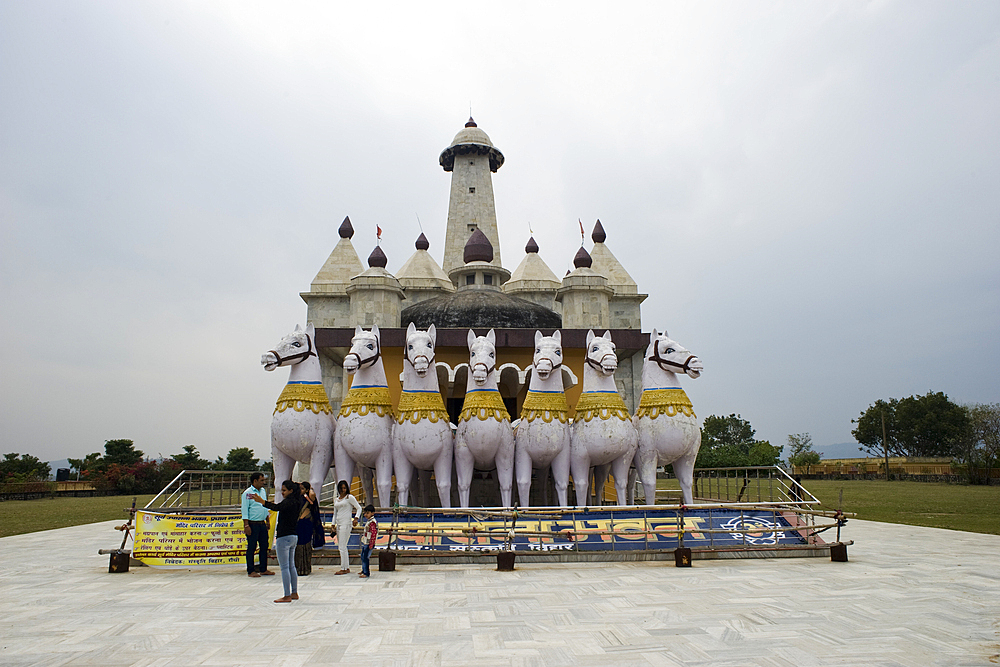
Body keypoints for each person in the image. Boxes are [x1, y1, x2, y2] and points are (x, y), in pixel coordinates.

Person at [250, 480, 303, 603]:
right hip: (293, 536)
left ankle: (287, 595)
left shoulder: (289, 502)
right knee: (291, 566)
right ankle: (294, 592)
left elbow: (276, 507)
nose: (282, 493)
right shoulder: (297, 502)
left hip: (284, 537)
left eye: (284, 490)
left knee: (284, 567)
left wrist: (262, 502)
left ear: (291, 490)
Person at [240, 472, 274, 578]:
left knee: (264, 546)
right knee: (252, 546)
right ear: (255, 481)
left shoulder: (263, 491)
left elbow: (264, 505)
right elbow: (245, 509)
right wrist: (246, 525)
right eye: (261, 480)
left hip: (262, 522)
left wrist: (267, 520)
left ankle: (263, 568)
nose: (263, 482)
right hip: (252, 523)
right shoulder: (248, 493)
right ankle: (251, 570)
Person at [331, 479, 362, 575]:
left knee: (342, 546)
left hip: (346, 523)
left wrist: (356, 518)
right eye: (341, 488)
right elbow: (335, 513)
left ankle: (344, 568)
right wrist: (333, 524)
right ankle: (345, 567)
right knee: (341, 546)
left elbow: (359, 508)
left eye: (345, 488)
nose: (343, 490)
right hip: (339, 523)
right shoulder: (336, 500)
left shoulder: (350, 497)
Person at [294, 481, 322, 576]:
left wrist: (310, 490)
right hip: (299, 525)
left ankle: (305, 568)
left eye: (302, 489)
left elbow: (313, 495)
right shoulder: (297, 498)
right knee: (298, 546)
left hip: (306, 524)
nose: (300, 490)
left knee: (305, 546)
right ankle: (298, 567)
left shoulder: (310, 497)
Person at [359, 504, 377, 579]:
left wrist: (371, 543)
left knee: (365, 557)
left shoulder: (372, 522)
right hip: (366, 541)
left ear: (372, 513)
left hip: (369, 542)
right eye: (365, 513)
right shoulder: (369, 521)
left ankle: (366, 572)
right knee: (363, 556)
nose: (365, 515)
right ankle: (363, 570)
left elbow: (374, 533)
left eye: (367, 513)